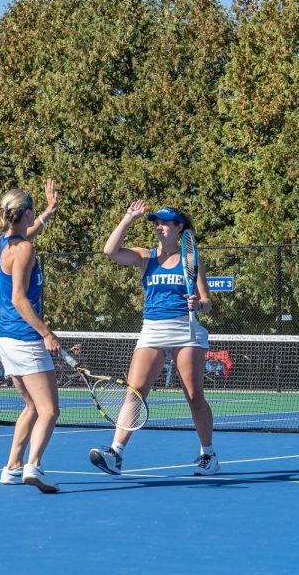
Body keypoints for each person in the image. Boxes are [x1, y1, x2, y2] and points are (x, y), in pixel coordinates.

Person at [89, 201, 220, 476]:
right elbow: (109, 251)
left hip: (186, 330)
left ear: (178, 228)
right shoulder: (145, 257)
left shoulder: (190, 260)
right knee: (134, 391)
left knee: (194, 395)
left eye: (164, 223)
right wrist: (128, 218)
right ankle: (116, 454)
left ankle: (208, 455)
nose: (158, 227)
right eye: (155, 222)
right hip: (152, 329)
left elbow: (207, 301)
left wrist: (199, 303)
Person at [0, 180, 61, 493]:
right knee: (49, 410)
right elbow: (20, 299)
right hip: (25, 339)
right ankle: (34, 465)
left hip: (5, 340)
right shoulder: (24, 249)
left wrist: (48, 212)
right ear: (26, 212)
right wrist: (46, 332)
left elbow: (26, 236)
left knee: (31, 408)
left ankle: (12, 467)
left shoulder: (3, 245)